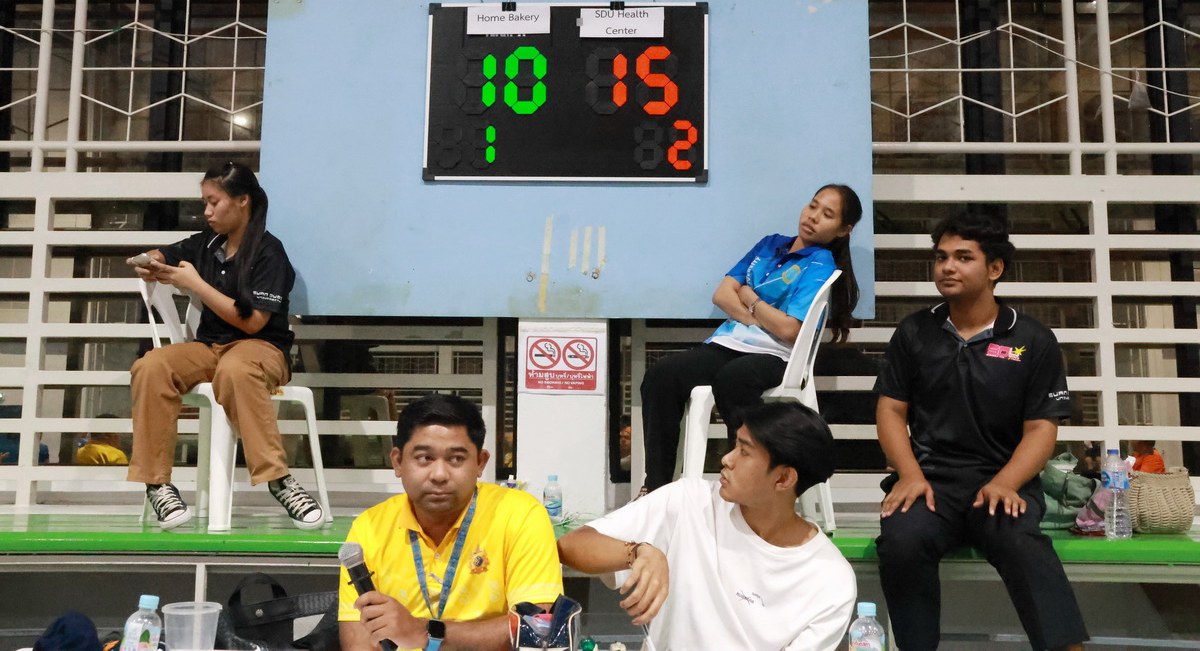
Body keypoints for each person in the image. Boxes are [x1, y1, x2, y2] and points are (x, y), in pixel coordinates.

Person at [873, 211, 1088, 651]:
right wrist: (909, 475)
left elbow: (1041, 428)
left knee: (1021, 542)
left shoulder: (1032, 339)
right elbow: (891, 411)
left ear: (995, 268)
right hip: (931, 482)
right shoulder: (914, 332)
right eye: (941, 257)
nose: (947, 267)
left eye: (963, 257)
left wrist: (1006, 482)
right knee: (901, 541)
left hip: (1002, 481)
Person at [558, 400, 855, 651]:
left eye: (744, 451)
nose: (726, 459)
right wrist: (638, 551)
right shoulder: (690, 501)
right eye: (734, 445)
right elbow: (570, 545)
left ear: (783, 479)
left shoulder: (830, 581)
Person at [125, 162, 323, 530]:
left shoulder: (269, 253)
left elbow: (252, 322)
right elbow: (165, 253)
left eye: (214, 202)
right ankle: (157, 484)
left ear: (242, 200)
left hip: (261, 348)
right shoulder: (207, 242)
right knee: (151, 365)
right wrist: (150, 262)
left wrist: (195, 284)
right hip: (210, 348)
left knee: (237, 370)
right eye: (205, 202)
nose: (207, 211)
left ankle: (278, 479)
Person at [639, 183, 862, 491]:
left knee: (734, 380)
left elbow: (789, 330)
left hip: (775, 355)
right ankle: (656, 489)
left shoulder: (820, 263)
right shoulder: (769, 245)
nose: (813, 216)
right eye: (813, 206)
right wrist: (760, 318)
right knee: (661, 376)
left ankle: (748, 485)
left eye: (827, 214)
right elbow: (721, 294)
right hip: (726, 344)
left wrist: (749, 298)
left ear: (843, 230)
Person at [339, 393, 563, 651]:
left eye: (456, 459)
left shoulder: (519, 514)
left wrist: (424, 633)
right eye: (424, 458)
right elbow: (359, 642)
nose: (439, 475)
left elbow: (537, 628)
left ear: (480, 463)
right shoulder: (369, 528)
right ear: (398, 462)